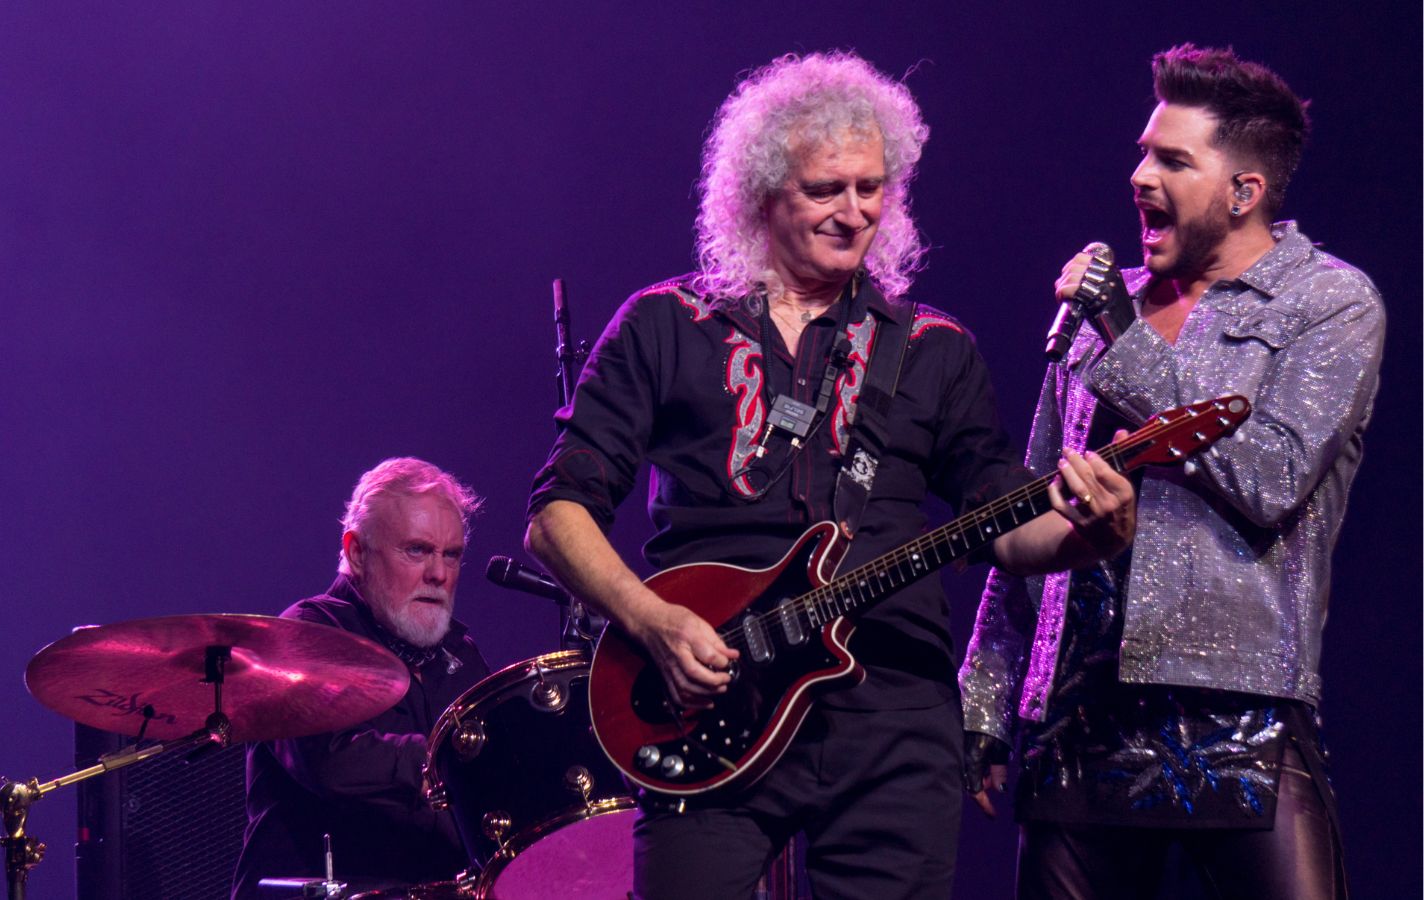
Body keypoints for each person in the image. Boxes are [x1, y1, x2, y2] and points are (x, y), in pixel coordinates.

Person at [525, 51, 1135, 900]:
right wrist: (653, 621)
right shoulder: (664, 325)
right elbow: (559, 513)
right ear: (761, 194)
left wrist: (1088, 535)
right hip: (705, 699)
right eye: (826, 191)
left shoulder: (934, 347)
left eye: (873, 188)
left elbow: (1003, 520)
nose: (856, 214)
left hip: (891, 716)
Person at [959, 44, 1384, 900]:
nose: (1139, 175)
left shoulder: (1330, 304)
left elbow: (1272, 477)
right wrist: (988, 689)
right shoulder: (1100, 312)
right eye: (1144, 151)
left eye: (1172, 159)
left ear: (1243, 191)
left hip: (1240, 709)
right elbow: (1035, 498)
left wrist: (1127, 340)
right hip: (1079, 716)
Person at [233, 457, 491, 899]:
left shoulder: (460, 656)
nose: (439, 573)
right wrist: (452, 755)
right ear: (356, 552)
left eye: (452, 555)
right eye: (417, 550)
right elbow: (330, 761)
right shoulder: (308, 632)